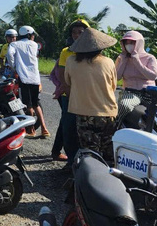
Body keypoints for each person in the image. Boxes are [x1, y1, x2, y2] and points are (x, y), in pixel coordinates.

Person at [64, 28, 119, 161]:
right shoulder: (109, 62)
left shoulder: (71, 61)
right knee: (109, 152)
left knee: (90, 154)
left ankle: (90, 178)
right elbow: (113, 86)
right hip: (108, 113)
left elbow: (67, 82)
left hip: (84, 114)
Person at [49, 19, 90, 163]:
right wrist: (71, 93)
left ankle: (57, 151)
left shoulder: (92, 51)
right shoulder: (66, 52)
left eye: (80, 32)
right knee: (69, 126)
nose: (76, 35)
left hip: (87, 95)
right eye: (74, 32)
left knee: (70, 124)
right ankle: (72, 160)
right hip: (69, 95)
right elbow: (62, 75)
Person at [7, 26, 50, 137]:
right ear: (29, 35)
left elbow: (9, 55)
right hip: (35, 78)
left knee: (28, 104)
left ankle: (31, 130)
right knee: (36, 104)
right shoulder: (35, 44)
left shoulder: (14, 44)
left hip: (23, 77)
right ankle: (44, 129)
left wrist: (14, 67)